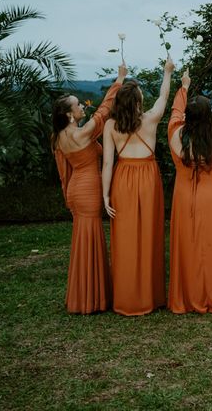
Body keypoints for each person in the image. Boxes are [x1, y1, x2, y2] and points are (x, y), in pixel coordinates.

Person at [51, 62, 126, 313]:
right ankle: (90, 299)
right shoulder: (81, 135)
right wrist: (119, 81)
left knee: (82, 240)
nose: (82, 105)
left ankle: (83, 295)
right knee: (91, 238)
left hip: (75, 188)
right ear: (70, 114)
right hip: (88, 188)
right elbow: (103, 111)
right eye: (78, 104)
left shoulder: (60, 137)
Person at [101, 57, 174, 316]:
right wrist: (167, 72)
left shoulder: (110, 125)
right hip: (147, 178)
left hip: (122, 179)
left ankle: (126, 298)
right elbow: (164, 97)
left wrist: (105, 195)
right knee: (149, 235)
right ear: (139, 102)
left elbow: (108, 163)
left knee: (125, 237)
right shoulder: (151, 119)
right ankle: (149, 296)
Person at [168, 69, 212, 313]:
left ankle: (188, 297)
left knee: (189, 245)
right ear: (209, 115)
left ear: (188, 116)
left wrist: (184, 87)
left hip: (185, 194)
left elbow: (175, 114)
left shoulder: (175, 134)